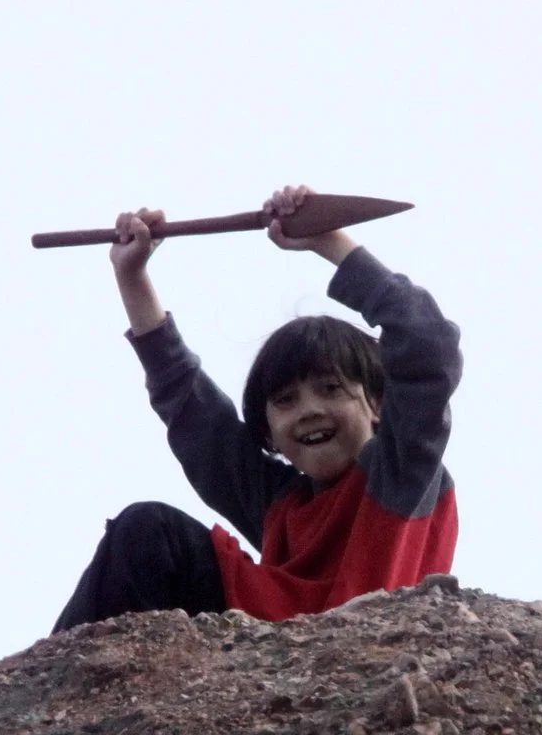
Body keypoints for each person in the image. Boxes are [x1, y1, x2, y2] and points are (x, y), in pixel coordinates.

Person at [51, 183, 462, 633]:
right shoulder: (278, 503)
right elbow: (196, 416)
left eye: (330, 389)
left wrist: (328, 241)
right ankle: (48, 688)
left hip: (347, 653)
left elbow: (428, 347)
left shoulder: (399, 473)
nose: (308, 410)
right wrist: (132, 277)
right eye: (285, 401)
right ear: (267, 431)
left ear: (378, 404)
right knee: (147, 532)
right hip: (257, 639)